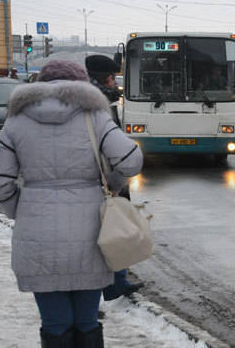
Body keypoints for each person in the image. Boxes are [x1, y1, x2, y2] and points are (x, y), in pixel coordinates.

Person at [0, 59, 143, 347]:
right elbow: (131, 160)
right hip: (91, 233)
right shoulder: (95, 116)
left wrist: (20, 208)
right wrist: (114, 183)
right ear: (81, 84)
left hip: (36, 234)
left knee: (55, 324)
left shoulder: (17, 120)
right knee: (87, 322)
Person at [85, 54, 145, 302]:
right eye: (112, 77)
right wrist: (116, 180)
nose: (114, 82)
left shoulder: (99, 100)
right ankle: (110, 285)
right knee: (112, 230)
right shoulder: (94, 104)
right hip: (103, 179)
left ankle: (116, 281)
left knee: (113, 228)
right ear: (104, 77)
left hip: (106, 176)